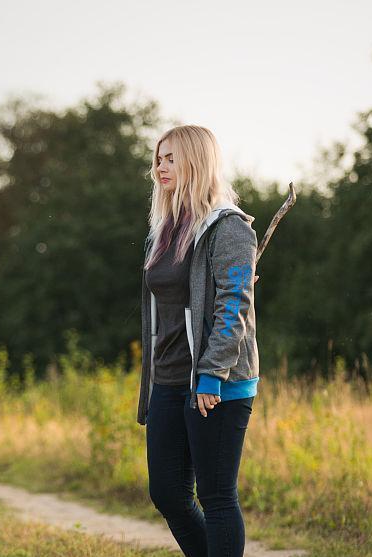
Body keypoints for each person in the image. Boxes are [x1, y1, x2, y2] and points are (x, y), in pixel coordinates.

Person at [136, 124, 260, 557]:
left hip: (216, 382)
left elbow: (234, 306)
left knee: (216, 494)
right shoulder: (164, 231)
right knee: (167, 492)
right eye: (158, 158)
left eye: (171, 158)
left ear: (196, 161)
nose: (160, 166)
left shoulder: (229, 228)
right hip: (169, 378)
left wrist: (211, 374)